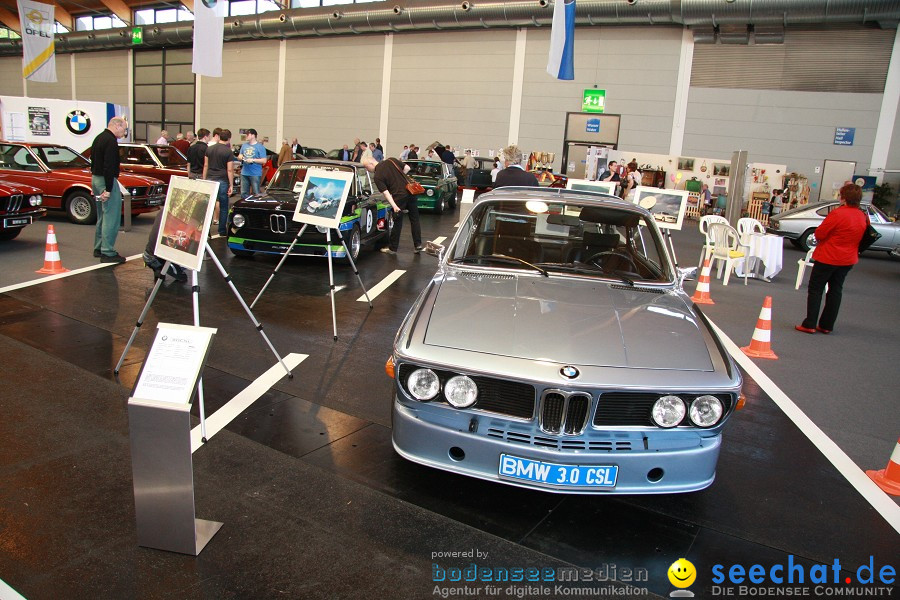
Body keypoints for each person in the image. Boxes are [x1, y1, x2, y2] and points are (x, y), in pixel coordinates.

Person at [795, 183, 867, 335]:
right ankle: (827, 325)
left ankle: (810, 323)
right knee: (835, 290)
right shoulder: (862, 216)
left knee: (816, 289)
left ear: (844, 198)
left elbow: (820, 234)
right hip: (848, 259)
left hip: (828, 256)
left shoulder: (838, 214)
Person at [363, 155, 422, 255]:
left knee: (397, 222)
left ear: (371, 163)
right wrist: (400, 179)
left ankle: (393, 248)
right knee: (415, 219)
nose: (367, 170)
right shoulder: (391, 160)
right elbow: (407, 168)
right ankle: (418, 244)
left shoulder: (377, 176)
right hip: (410, 191)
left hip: (398, 196)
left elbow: (386, 193)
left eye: (366, 167)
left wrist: (394, 206)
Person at [90, 116, 129, 263]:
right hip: (105, 180)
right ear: (117, 126)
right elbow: (109, 166)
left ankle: (99, 248)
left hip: (96, 178)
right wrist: (108, 188)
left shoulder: (99, 138)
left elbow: (93, 161)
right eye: (124, 129)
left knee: (102, 216)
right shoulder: (111, 141)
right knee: (111, 217)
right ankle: (108, 252)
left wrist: (96, 185)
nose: (124, 133)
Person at [203, 128, 235, 237]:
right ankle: (222, 231)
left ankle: (206, 232)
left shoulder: (209, 149)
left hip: (210, 179)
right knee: (224, 206)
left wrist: (204, 179)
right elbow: (230, 170)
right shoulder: (228, 151)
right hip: (222, 180)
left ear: (219, 137)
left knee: (209, 206)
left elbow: (206, 165)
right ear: (229, 139)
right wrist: (231, 185)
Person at [238, 128, 267, 199]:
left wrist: (253, 160)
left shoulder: (260, 147)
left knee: (256, 193)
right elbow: (239, 155)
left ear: (253, 135)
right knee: (244, 193)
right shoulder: (244, 145)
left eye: (248, 134)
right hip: (244, 173)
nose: (246, 136)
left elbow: (264, 160)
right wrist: (241, 157)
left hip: (255, 173)